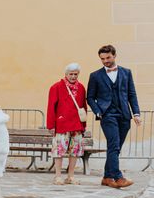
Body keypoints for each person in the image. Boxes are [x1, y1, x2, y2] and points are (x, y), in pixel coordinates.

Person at [87, 44, 141, 189]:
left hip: (124, 114)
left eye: (108, 58)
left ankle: (106, 177)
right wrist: (98, 111)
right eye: (102, 59)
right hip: (108, 115)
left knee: (115, 148)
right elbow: (90, 97)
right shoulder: (95, 76)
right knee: (114, 145)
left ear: (114, 55)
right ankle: (118, 177)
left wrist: (136, 113)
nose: (105, 61)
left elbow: (132, 94)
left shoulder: (126, 72)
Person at [46, 63, 87, 185]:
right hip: (62, 124)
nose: (73, 76)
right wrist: (51, 125)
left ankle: (71, 176)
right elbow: (51, 107)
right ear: (66, 74)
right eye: (71, 74)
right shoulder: (56, 87)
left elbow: (83, 107)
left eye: (76, 74)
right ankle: (58, 176)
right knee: (59, 150)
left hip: (77, 125)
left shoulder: (81, 88)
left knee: (75, 151)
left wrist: (83, 125)